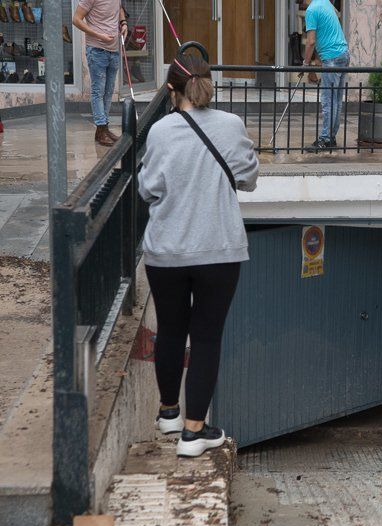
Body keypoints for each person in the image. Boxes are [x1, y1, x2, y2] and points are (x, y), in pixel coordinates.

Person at [138, 54, 259, 458]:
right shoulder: (231, 125)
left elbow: (148, 189)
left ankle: (168, 412)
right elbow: (248, 178)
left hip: (167, 251)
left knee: (171, 329)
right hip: (219, 249)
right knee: (207, 336)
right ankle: (194, 432)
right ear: (208, 86)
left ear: (172, 91)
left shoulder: (159, 132)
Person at [73, 0, 129, 146]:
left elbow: (119, 7)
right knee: (98, 91)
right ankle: (101, 128)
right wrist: (98, 35)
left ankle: (103, 129)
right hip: (97, 50)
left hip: (114, 50)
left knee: (109, 92)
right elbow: (76, 19)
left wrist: (123, 23)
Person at [301, 0, 349, 152]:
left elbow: (311, 42)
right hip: (343, 54)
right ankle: (331, 136)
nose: (301, 4)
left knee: (328, 101)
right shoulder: (325, 2)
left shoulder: (311, 10)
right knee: (336, 100)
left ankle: (325, 139)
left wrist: (306, 65)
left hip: (332, 58)